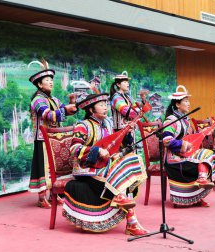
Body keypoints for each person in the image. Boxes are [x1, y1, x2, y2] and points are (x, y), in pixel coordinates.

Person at [62, 93, 149, 235]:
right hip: (87, 169)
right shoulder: (83, 126)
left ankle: (129, 218)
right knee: (117, 177)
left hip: (105, 166)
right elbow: (74, 149)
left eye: (106, 105)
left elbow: (115, 143)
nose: (105, 108)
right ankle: (131, 221)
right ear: (91, 109)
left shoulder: (108, 123)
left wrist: (127, 132)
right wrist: (97, 151)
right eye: (101, 105)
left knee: (132, 161)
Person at [28, 59, 77, 208]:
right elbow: (47, 115)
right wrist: (65, 109)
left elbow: (67, 112)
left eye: (51, 80)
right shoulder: (37, 100)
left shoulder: (54, 99)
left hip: (54, 139)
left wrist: (73, 104)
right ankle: (42, 198)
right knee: (43, 168)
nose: (51, 82)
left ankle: (53, 196)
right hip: (42, 138)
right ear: (39, 84)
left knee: (54, 167)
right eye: (47, 80)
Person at [163, 85, 215, 207]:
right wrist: (183, 144)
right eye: (186, 101)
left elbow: (193, 140)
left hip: (185, 155)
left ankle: (199, 193)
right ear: (177, 104)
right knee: (205, 156)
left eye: (188, 101)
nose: (189, 104)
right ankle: (201, 180)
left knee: (209, 156)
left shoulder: (186, 120)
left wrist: (205, 134)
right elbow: (166, 140)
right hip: (173, 159)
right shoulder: (171, 120)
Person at [110, 71, 146, 146]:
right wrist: (141, 111)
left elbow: (137, 106)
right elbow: (127, 112)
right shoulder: (116, 97)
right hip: (120, 131)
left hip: (129, 129)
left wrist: (143, 99)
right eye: (125, 82)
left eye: (127, 82)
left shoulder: (127, 97)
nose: (128, 84)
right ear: (118, 84)